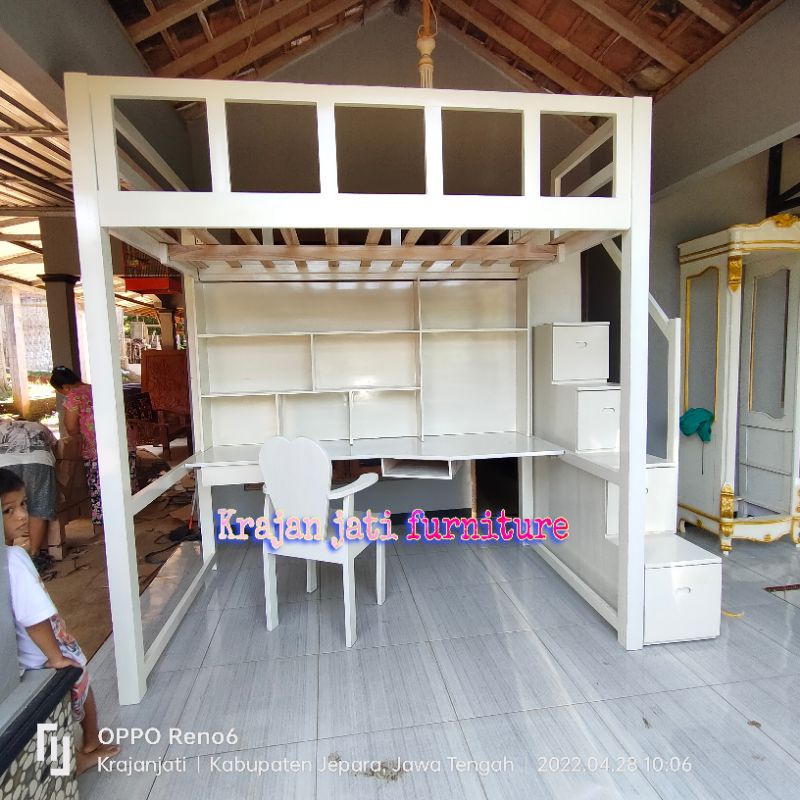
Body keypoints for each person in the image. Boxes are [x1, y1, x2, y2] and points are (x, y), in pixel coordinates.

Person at [1, 468, 120, 774]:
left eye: (23, 505)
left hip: (25, 659)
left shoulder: (9, 556)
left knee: (55, 712)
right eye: (7, 511)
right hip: (47, 653)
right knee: (77, 690)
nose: (22, 516)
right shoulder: (13, 560)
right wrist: (56, 657)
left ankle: (80, 751)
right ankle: (87, 747)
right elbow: (33, 617)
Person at [49, 366, 138, 537]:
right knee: (124, 482)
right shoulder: (99, 388)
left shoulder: (74, 396)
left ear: (66, 387)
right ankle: (128, 521)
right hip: (125, 442)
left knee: (101, 488)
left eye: (62, 392)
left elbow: (71, 427)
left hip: (99, 449)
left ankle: (104, 532)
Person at [0, 417, 57, 571]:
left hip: (4, 460)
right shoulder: (39, 426)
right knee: (38, 505)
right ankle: (35, 555)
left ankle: (4, 555)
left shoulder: (3, 426)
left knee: (5, 506)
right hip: (39, 459)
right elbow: (56, 448)